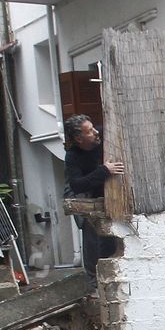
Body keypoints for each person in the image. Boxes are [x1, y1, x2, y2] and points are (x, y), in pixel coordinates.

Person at [63, 114, 124, 281]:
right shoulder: (73, 156)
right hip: (93, 202)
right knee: (97, 245)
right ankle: (96, 283)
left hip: (118, 199)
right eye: (89, 131)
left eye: (93, 128)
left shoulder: (105, 136)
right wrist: (103, 171)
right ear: (79, 138)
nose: (96, 132)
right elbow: (77, 185)